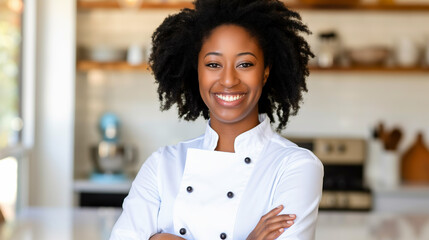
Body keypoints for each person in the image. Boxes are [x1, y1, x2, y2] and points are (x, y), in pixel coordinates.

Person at [110, 0, 323, 239]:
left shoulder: (295, 166)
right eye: (213, 64)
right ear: (197, 71)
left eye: (245, 64)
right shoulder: (162, 165)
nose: (229, 80)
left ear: (265, 72)